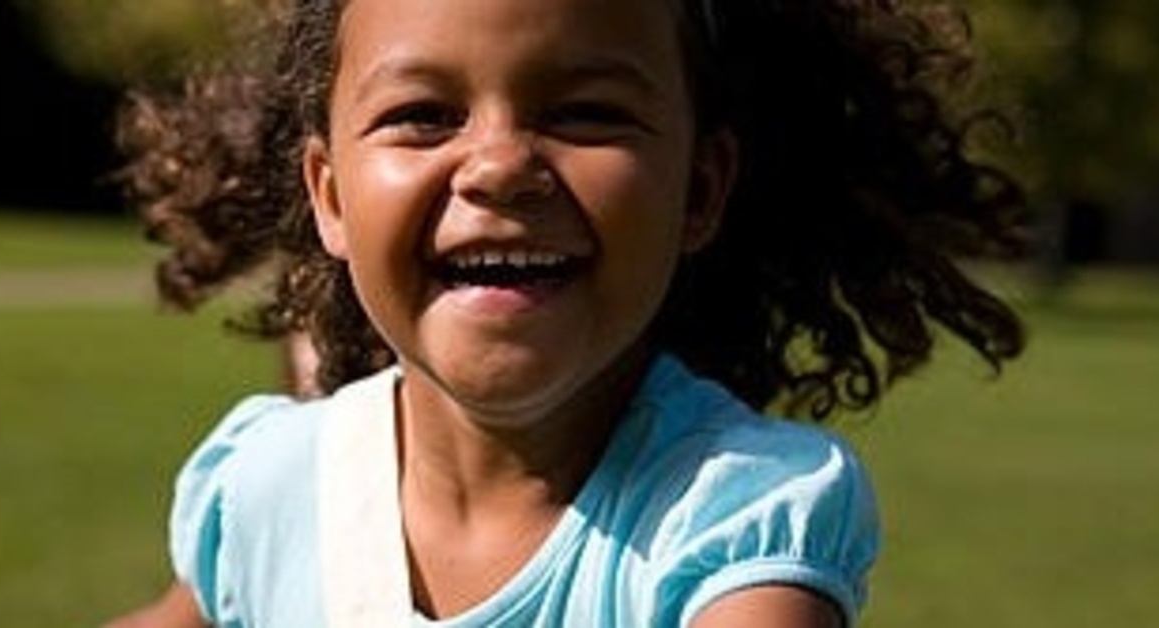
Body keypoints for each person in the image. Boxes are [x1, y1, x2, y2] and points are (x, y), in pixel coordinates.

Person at [108, 0, 1026, 625]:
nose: (500, 165)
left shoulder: (732, 522)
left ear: (699, 190)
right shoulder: (272, 484)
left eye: (587, 113)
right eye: (424, 114)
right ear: (332, 196)